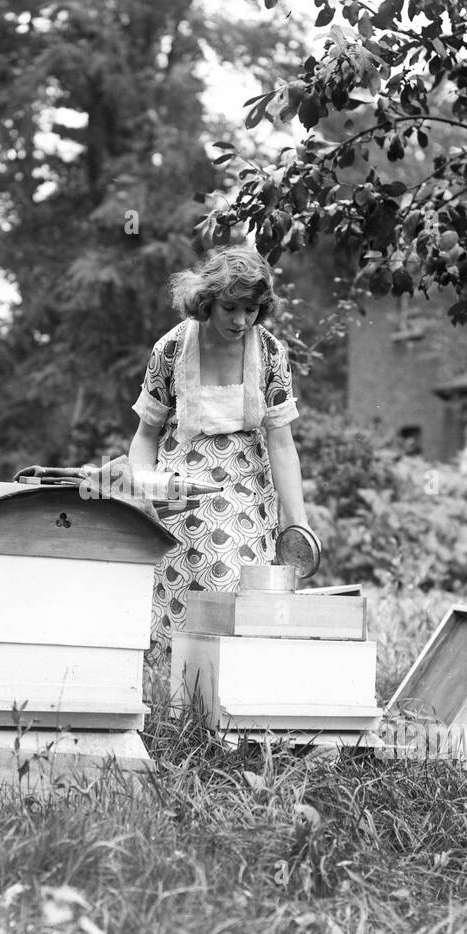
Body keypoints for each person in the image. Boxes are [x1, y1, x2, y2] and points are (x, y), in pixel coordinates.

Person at [128, 244, 310, 662]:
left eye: (251, 309)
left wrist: (298, 525)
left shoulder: (270, 352)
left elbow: (281, 443)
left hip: (246, 489)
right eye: (230, 308)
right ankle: (178, 704)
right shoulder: (170, 349)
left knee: (234, 586)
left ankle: (229, 703)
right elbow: (144, 435)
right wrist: (144, 494)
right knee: (175, 604)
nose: (241, 320)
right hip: (178, 491)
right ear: (207, 301)